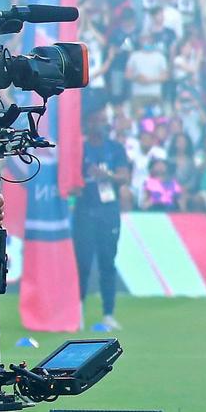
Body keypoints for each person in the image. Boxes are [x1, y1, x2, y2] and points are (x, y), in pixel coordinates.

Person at [72, 108, 131, 333]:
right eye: (98, 120)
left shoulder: (115, 148)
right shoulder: (80, 149)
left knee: (108, 262)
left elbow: (124, 177)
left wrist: (106, 176)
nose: (102, 124)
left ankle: (108, 314)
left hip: (108, 212)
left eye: (105, 120)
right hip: (85, 211)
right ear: (89, 122)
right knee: (83, 264)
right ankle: (77, 313)